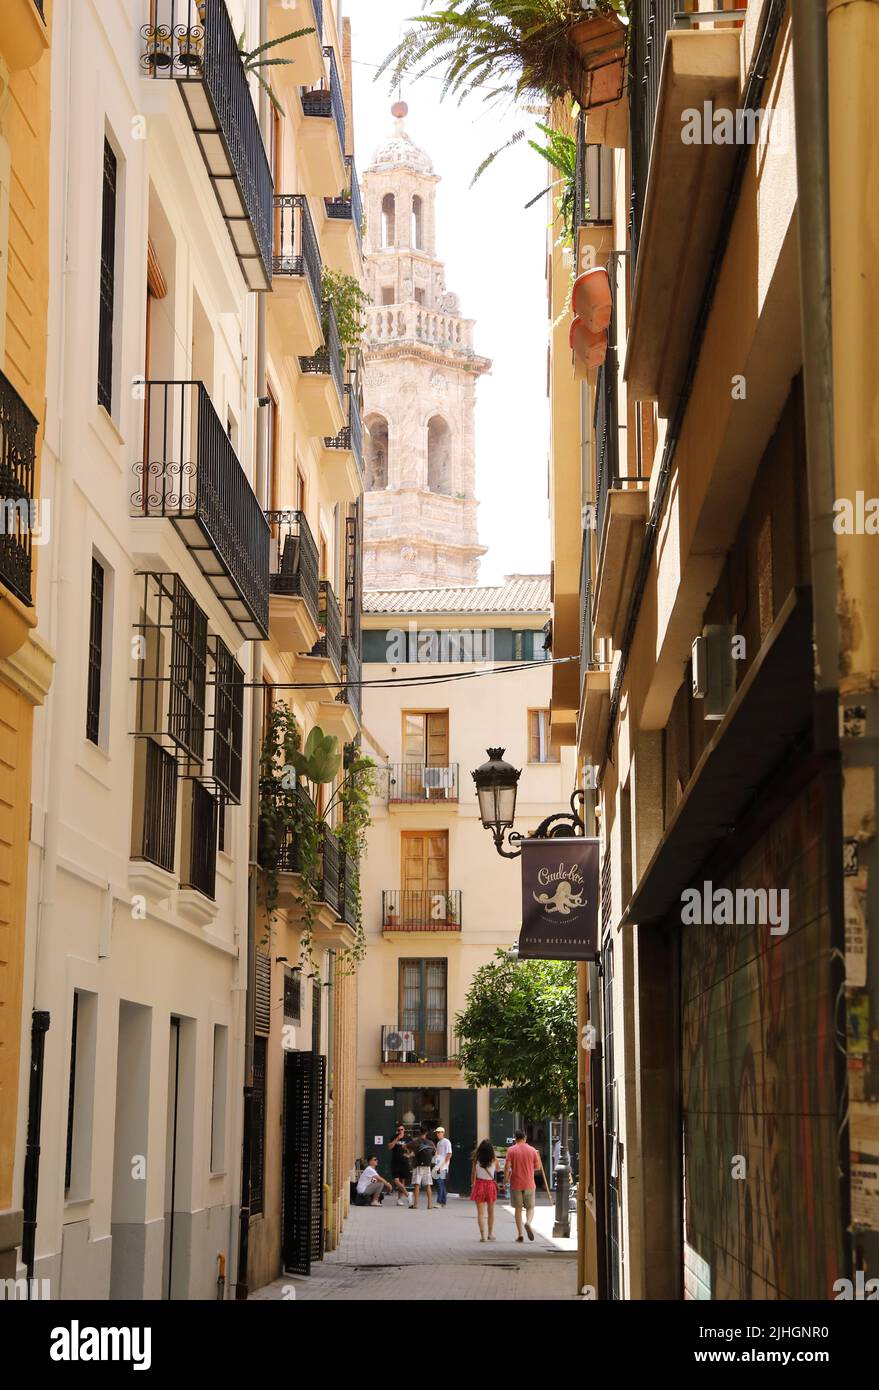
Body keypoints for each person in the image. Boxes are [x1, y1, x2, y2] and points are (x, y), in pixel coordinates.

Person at [504, 1130, 550, 1242]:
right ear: (525, 1137)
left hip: (516, 1183)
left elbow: (507, 1167)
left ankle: (520, 1234)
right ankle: (528, 1223)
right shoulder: (532, 1150)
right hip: (529, 1182)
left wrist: (506, 1179)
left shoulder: (511, 1150)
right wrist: (529, 1169)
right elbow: (538, 1167)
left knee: (518, 1209)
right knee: (530, 1207)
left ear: (515, 1138)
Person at [470, 1139, 498, 1242]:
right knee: (491, 1212)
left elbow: (473, 1174)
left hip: (479, 1184)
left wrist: (473, 1184)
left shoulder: (476, 1159)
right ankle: (490, 1234)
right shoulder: (494, 1159)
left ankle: (482, 1236)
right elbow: (498, 1170)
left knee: (480, 1213)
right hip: (490, 1185)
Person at [410, 1124, 437, 1210]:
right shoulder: (430, 1142)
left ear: (419, 1132)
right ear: (427, 1132)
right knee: (428, 1185)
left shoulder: (416, 1141)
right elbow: (435, 1153)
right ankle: (429, 1205)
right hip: (427, 1166)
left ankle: (416, 1204)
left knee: (417, 1185)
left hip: (418, 1165)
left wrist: (411, 1153)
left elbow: (405, 1146)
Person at [388, 1122, 411, 1206]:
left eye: (402, 1129)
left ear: (404, 1129)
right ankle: (408, 1194)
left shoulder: (408, 1138)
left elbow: (412, 1151)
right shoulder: (394, 1137)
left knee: (402, 1181)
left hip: (404, 1162)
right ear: (396, 1131)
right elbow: (389, 1147)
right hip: (395, 1161)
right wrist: (397, 1138)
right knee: (396, 1180)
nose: (400, 1131)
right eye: (398, 1130)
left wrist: (408, 1154)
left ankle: (399, 1199)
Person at [433, 1127, 452, 1207]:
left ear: (442, 1132)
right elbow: (438, 1154)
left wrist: (443, 1166)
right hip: (439, 1166)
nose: (437, 1134)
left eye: (438, 1132)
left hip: (443, 1167)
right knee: (441, 1184)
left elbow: (449, 1154)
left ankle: (440, 1202)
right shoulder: (439, 1143)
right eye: (436, 1132)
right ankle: (443, 1201)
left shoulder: (446, 1141)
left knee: (440, 1184)